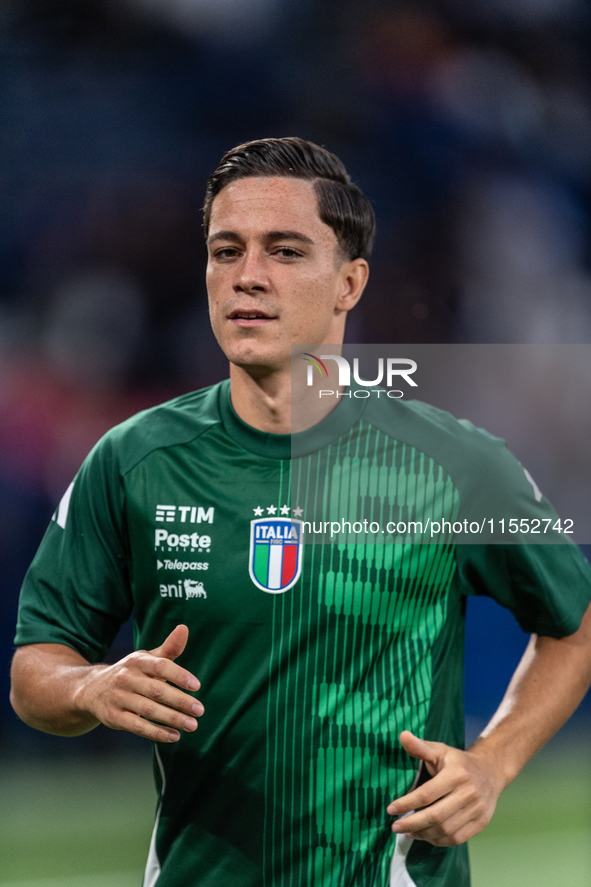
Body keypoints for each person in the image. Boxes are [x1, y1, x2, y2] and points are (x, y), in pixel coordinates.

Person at [10, 137, 591, 887]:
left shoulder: (456, 462)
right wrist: (89, 685)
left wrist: (491, 762)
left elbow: (574, 620)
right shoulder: (132, 461)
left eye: (284, 251)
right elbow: (35, 668)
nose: (247, 276)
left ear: (349, 282)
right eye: (226, 251)